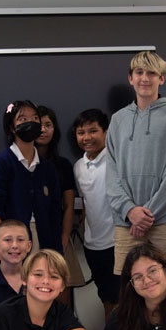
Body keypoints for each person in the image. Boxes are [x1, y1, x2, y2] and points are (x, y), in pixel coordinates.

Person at [106, 51, 166, 273]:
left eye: (151, 73)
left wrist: (146, 216)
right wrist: (130, 211)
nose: (144, 78)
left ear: (161, 79)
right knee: (129, 291)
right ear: (131, 78)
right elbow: (111, 175)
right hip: (127, 223)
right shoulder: (117, 120)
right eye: (139, 72)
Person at [0, 100, 62, 259]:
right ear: (12, 127)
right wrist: (0, 249)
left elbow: (55, 211)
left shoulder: (47, 167)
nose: (30, 123)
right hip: (11, 245)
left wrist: (56, 250)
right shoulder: (1, 163)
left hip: (44, 241)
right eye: (23, 119)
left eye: (34, 118)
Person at [72, 108, 119, 319]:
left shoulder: (116, 161)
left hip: (116, 243)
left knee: (121, 297)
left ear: (106, 132)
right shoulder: (78, 167)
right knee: (105, 296)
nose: (87, 137)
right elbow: (84, 203)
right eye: (81, 132)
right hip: (92, 244)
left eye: (93, 131)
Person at [36, 105, 85, 301]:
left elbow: (69, 205)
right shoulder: (17, 162)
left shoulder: (62, 164)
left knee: (62, 291)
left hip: (58, 234)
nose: (43, 129)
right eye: (39, 125)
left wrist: (64, 236)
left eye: (48, 125)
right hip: (29, 236)